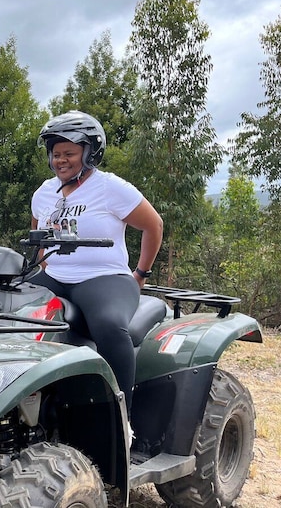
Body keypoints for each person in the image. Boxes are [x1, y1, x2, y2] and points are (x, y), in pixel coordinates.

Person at [30, 110, 163, 441]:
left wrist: (140, 273)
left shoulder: (111, 188)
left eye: (69, 153)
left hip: (104, 277)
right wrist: (44, 270)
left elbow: (153, 225)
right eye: (56, 154)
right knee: (11, 308)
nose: (61, 160)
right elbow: (37, 237)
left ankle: (121, 422)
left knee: (109, 325)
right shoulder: (44, 193)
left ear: (89, 154)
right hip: (56, 277)